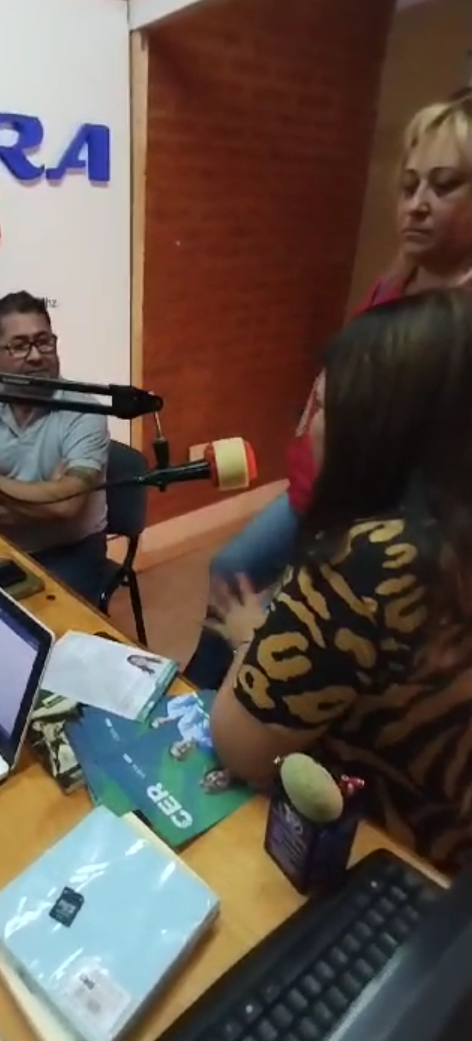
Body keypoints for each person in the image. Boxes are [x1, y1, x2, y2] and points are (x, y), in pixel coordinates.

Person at [185, 89, 472, 691]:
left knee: (286, 631)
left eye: (444, 185)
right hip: (314, 489)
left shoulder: (457, 327)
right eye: (409, 186)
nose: (417, 205)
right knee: (231, 569)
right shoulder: (400, 277)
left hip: (367, 522)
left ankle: (244, 706)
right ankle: (198, 695)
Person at [209, 288, 472, 875]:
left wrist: (250, 635)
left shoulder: (371, 561)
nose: (308, 428)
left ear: (378, 430)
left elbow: (242, 747)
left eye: (324, 407)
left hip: (398, 866)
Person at [0, 291, 109, 602]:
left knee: (37, 621)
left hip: (69, 550)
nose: (36, 356)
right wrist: (44, 498)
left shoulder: (86, 412)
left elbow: (65, 506)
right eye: (20, 346)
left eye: (43, 341)